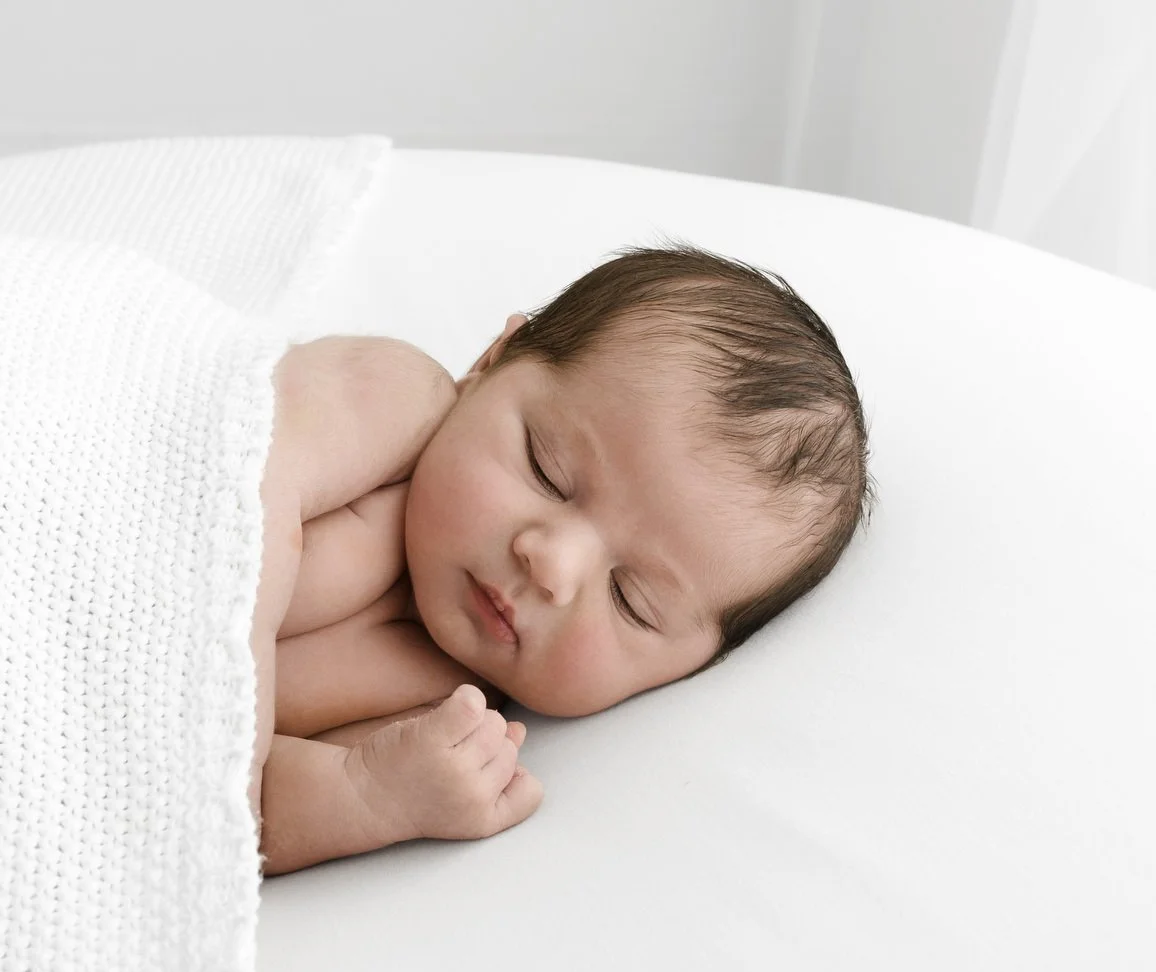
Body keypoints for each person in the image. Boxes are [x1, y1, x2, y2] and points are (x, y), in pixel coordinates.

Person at [248, 240, 874, 875]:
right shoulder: (391, 397)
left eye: (632, 602)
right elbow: (243, 474)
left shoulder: (445, 717)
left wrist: (365, 794)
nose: (553, 568)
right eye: (547, 470)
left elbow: (214, 810)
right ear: (489, 364)